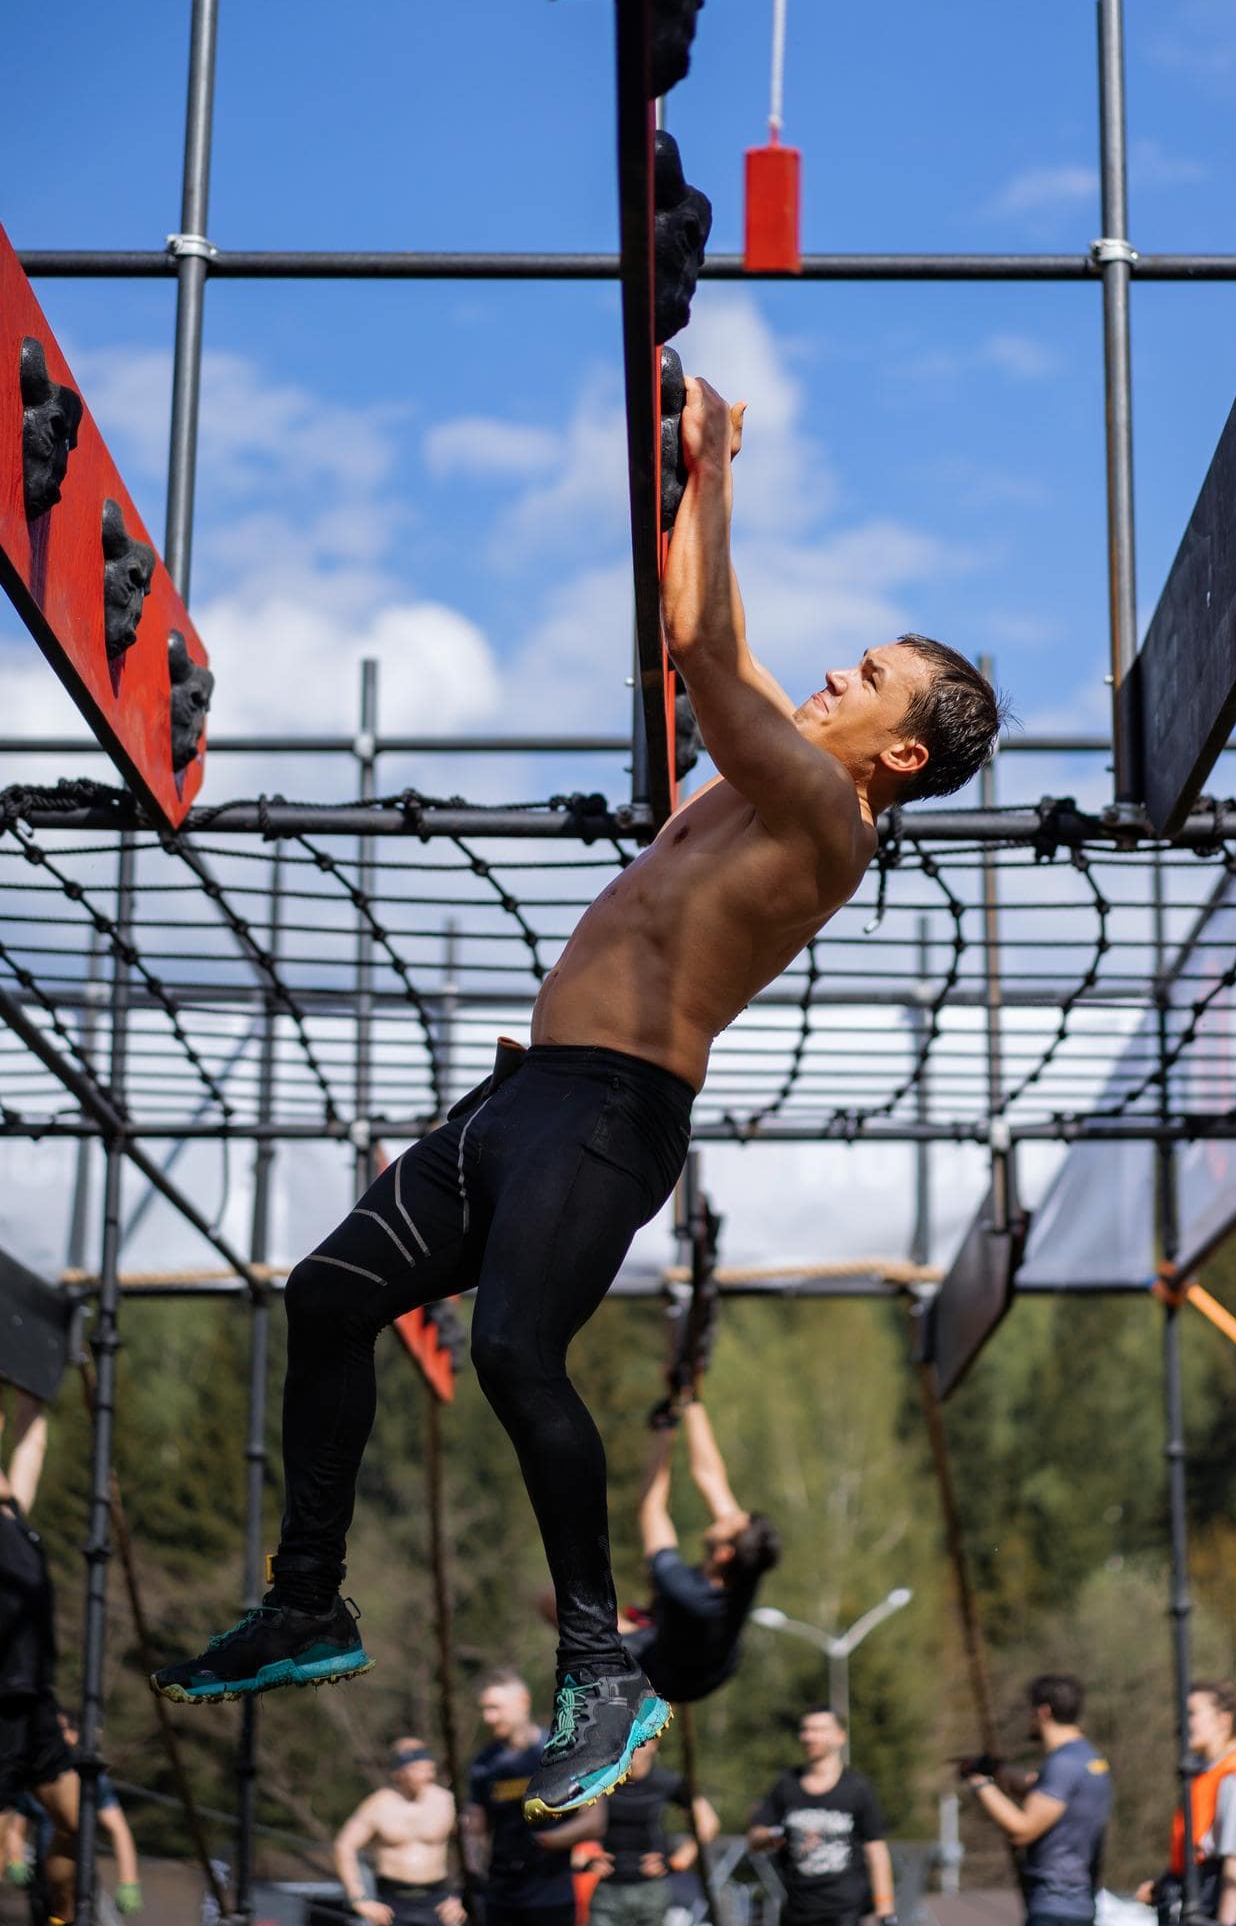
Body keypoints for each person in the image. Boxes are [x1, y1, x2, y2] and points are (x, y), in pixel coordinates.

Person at [152, 373, 1003, 1823]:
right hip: (518, 1100)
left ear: (901, 755)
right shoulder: (763, 776)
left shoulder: (822, 818)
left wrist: (717, 470)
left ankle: (601, 1670)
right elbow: (715, 635)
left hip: (612, 1114)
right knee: (329, 1297)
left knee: (514, 1357)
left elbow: (696, 648)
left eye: (863, 676)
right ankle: (308, 1604)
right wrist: (681, 478)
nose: (832, 674)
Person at [623, 1401, 779, 1703]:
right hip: (710, 1653)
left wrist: (664, 1431)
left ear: (724, 1554)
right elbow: (710, 1477)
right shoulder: (749, 1563)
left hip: (670, 1677)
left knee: (574, 1621)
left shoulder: (686, 1590)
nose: (725, 1514)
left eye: (730, 1520)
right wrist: (691, 1402)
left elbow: (651, 1506)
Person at [0, 1389, 79, 1925]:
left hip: (35, 1699)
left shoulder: (15, 1515)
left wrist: (34, 1376)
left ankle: (60, 1917)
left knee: (77, 1823)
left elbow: (33, 1438)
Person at [964, 1674, 1112, 1926]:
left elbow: (1022, 1829)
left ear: (1043, 1712)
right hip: (1079, 1904)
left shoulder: (1062, 1764)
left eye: (1030, 1712)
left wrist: (980, 1783)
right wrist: (999, 1771)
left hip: (1054, 1906)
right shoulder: (1089, 1760)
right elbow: (1041, 1791)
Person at [467, 1670, 608, 1926]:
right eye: (484, 1709)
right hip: (501, 1896)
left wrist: (543, 1841)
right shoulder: (483, 1764)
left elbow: (594, 1821)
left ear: (523, 1701)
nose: (489, 1718)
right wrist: (473, 1870)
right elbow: (476, 1828)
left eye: (496, 1708)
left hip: (551, 1895)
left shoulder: (561, 1754)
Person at [1135, 1681, 1236, 1926]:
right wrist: (1164, 1884)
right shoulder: (1207, 1773)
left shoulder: (1235, 1777)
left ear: (1223, 1720)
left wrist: (1224, 1922)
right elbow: (1200, 1846)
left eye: (1192, 1714)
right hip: (1204, 1896)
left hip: (1221, 1905)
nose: (1184, 1723)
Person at [748, 1709, 895, 1926]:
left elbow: (876, 1851)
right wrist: (774, 1835)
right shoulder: (786, 1784)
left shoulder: (857, 1788)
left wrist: (885, 1911)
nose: (809, 1736)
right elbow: (754, 1838)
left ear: (840, 1736)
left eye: (818, 1729)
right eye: (805, 1730)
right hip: (796, 1909)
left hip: (847, 1912)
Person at [5, 1710, 141, 1921]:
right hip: (44, 1877)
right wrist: (16, 1860)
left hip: (80, 1875)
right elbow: (16, 1826)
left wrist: (129, 1881)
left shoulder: (90, 1780)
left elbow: (119, 1830)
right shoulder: (34, 1779)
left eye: (59, 1731)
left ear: (73, 1735)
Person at [333, 1738, 465, 1926]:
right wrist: (359, 1899)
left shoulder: (445, 1802)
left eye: (428, 1768)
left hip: (438, 1901)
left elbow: (472, 1845)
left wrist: (462, 1895)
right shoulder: (379, 1804)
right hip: (392, 1902)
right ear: (400, 1772)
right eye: (416, 1768)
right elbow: (344, 1846)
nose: (425, 1774)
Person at [588, 1745, 718, 1926]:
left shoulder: (667, 1781)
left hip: (650, 1891)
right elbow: (572, 1820)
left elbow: (708, 1823)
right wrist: (586, 1857)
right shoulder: (599, 1780)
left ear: (655, 1744)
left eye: (642, 1742)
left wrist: (678, 1861)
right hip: (606, 1889)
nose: (635, 1748)